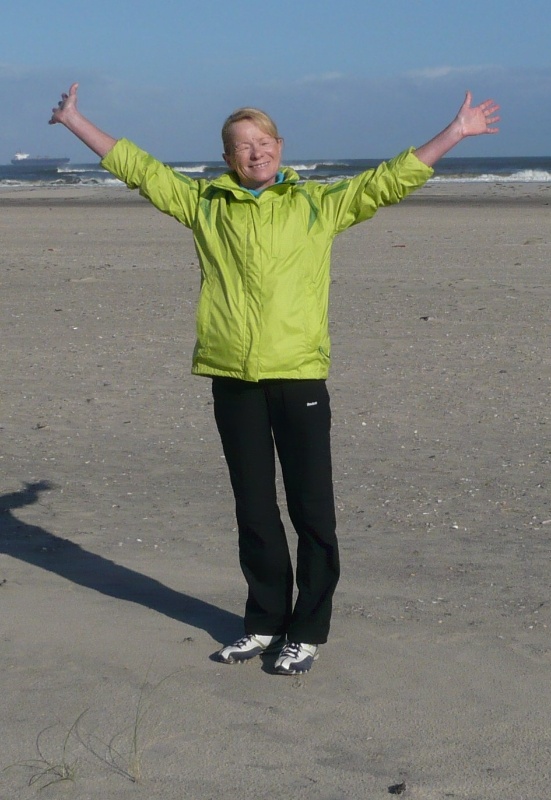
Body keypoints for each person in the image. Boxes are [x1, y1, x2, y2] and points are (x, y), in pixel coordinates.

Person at [50, 84, 499, 675]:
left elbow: (388, 180)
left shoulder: (317, 204)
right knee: (255, 510)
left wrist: (456, 132)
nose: (255, 152)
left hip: (298, 378)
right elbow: (141, 168)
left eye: (263, 142)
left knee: (312, 509)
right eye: (243, 146)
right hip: (233, 378)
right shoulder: (205, 204)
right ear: (227, 157)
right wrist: (75, 120)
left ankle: (306, 630)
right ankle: (263, 622)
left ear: (280, 147)